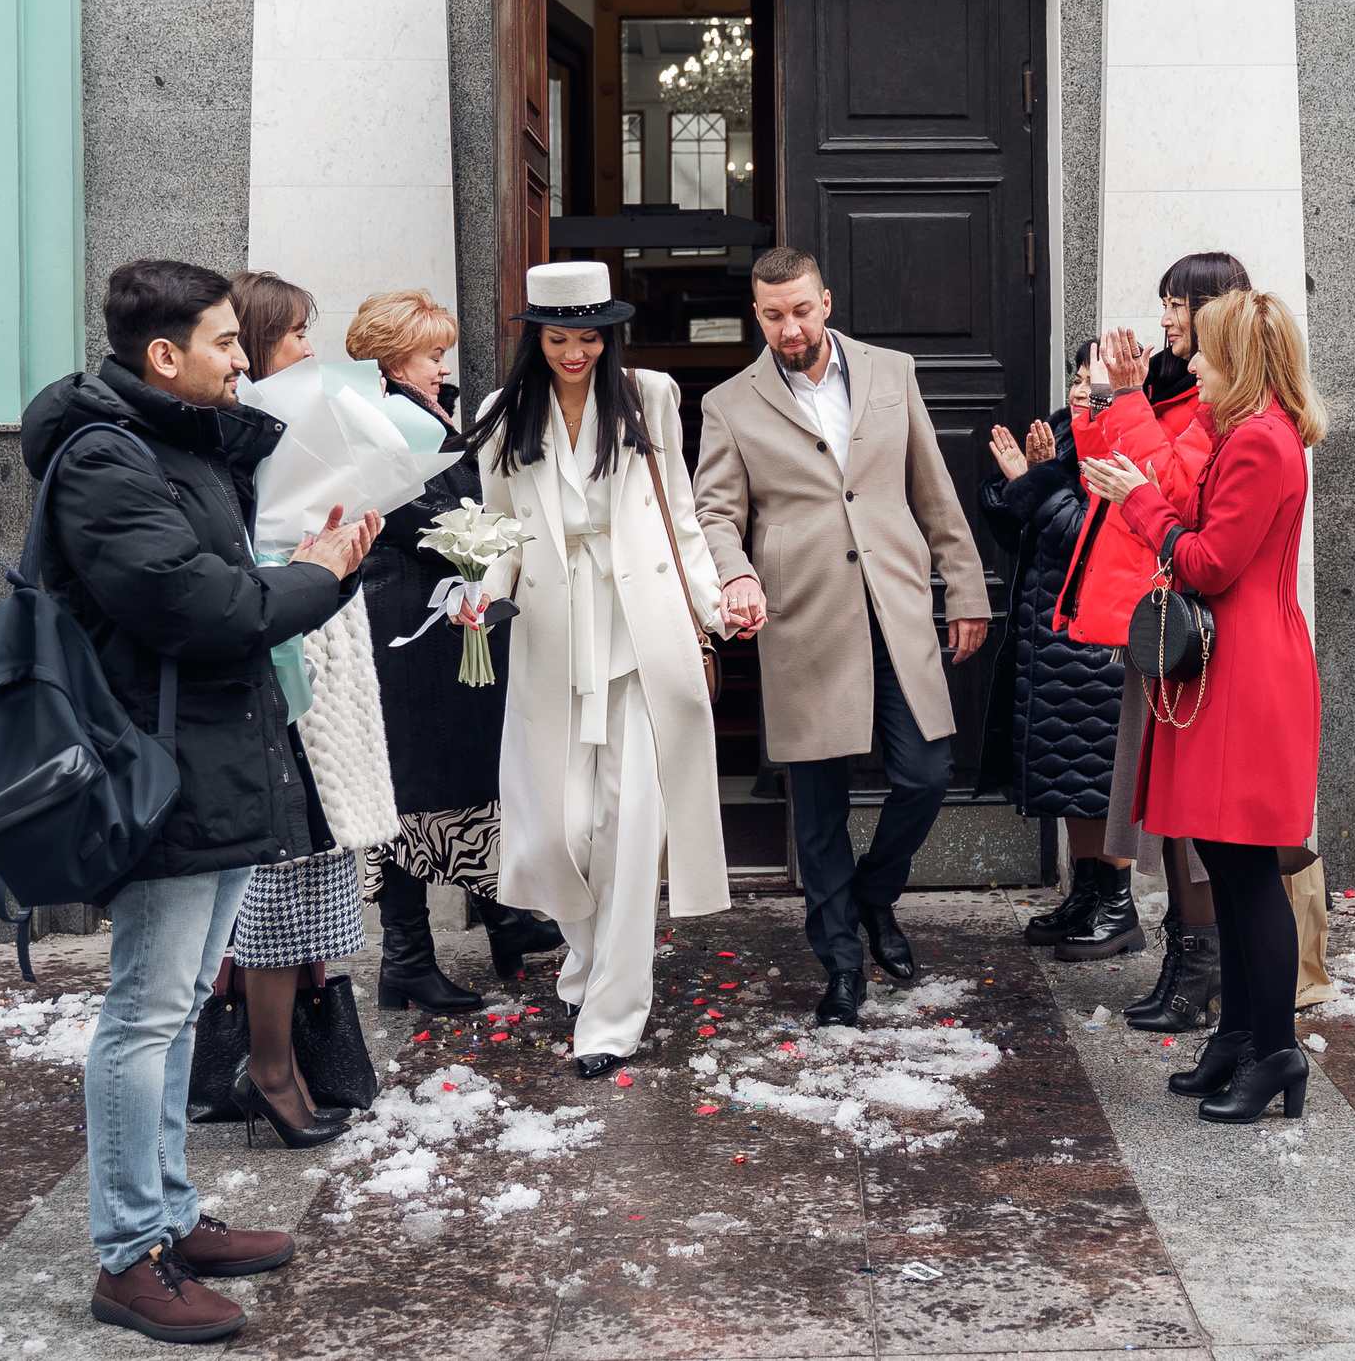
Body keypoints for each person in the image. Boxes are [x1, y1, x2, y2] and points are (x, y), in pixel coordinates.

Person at [22, 259, 380, 1343]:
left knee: (176, 1009)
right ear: (163, 355)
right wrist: (316, 571)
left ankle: (169, 1217)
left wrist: (332, 556)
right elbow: (198, 607)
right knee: (145, 1012)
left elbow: (242, 597)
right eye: (226, 343)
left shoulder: (179, 444)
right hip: (157, 768)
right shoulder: (103, 461)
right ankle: (130, 1256)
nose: (245, 360)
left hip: (214, 759)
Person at [696, 247, 992, 1028]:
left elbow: (934, 489)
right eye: (771, 314)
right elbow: (715, 512)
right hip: (801, 615)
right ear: (755, 315)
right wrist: (734, 574)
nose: (788, 327)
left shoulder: (892, 372)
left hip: (895, 604)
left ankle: (873, 893)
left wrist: (964, 587)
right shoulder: (730, 402)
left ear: (824, 300)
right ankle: (840, 962)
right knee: (818, 803)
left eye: (799, 309)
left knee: (926, 770)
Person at [465, 261, 733, 1079]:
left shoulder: (649, 396)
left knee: (628, 830)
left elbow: (679, 512)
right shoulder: (501, 414)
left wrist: (716, 605)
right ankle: (581, 962)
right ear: (534, 339)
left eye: (589, 337)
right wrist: (478, 593)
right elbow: (499, 531)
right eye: (558, 337)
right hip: (550, 635)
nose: (575, 351)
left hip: (639, 635)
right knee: (556, 830)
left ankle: (614, 1013)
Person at [1082, 288, 1327, 1124]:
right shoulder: (1249, 433)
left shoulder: (1260, 440)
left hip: (1247, 674)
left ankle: (1275, 1048)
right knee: (1226, 864)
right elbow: (1197, 515)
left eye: (1206, 354)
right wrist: (1138, 489)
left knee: (1248, 869)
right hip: (1237, 667)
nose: (1192, 363)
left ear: (1241, 363)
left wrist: (1141, 508)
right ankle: (1239, 1035)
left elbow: (1209, 561)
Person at [345, 288, 564, 1011]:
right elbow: (417, 518)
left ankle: (505, 919)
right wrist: (484, 538)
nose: (443, 366)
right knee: (411, 790)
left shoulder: (426, 410)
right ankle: (405, 956)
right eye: (433, 353)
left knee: (467, 773)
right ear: (394, 354)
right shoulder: (381, 420)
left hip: (444, 620)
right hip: (407, 625)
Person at [206, 270, 373, 1148]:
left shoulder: (278, 433)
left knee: (295, 881)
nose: (313, 348)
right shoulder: (230, 446)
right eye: (298, 332)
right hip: (266, 689)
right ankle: (268, 1072)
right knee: (277, 882)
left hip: (299, 670)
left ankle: (275, 1062)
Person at [978, 342, 1132, 960]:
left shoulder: (1119, 439)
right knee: (1067, 774)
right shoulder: (1066, 432)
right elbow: (1024, 534)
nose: (1078, 387)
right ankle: (1087, 896)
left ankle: (1118, 907)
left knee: (1099, 776)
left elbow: (1088, 540)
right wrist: (1017, 487)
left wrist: (1030, 483)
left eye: (1092, 379)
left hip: (1093, 640)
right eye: (1076, 375)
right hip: (1051, 635)